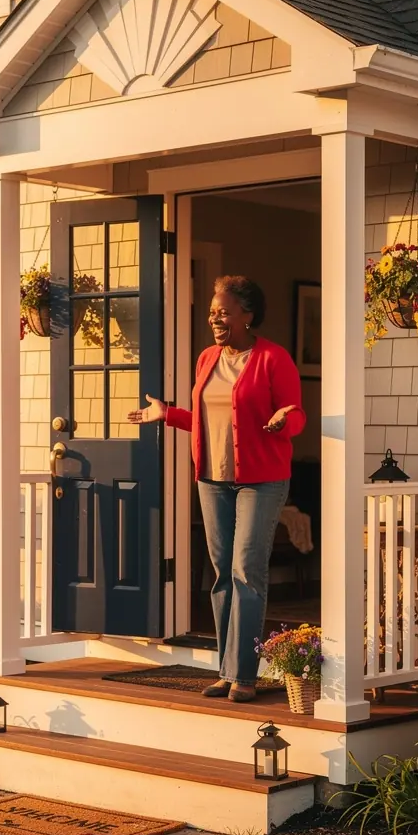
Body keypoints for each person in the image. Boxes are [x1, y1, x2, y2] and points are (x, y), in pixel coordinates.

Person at [130, 276, 305, 703]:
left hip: (261, 480)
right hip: (213, 479)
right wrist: (168, 414)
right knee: (221, 573)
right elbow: (211, 421)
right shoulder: (207, 358)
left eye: (224, 312)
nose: (215, 319)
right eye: (213, 312)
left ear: (248, 314)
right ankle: (225, 671)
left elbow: (296, 416)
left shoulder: (272, 359)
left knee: (247, 571)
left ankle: (245, 673)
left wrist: (284, 419)